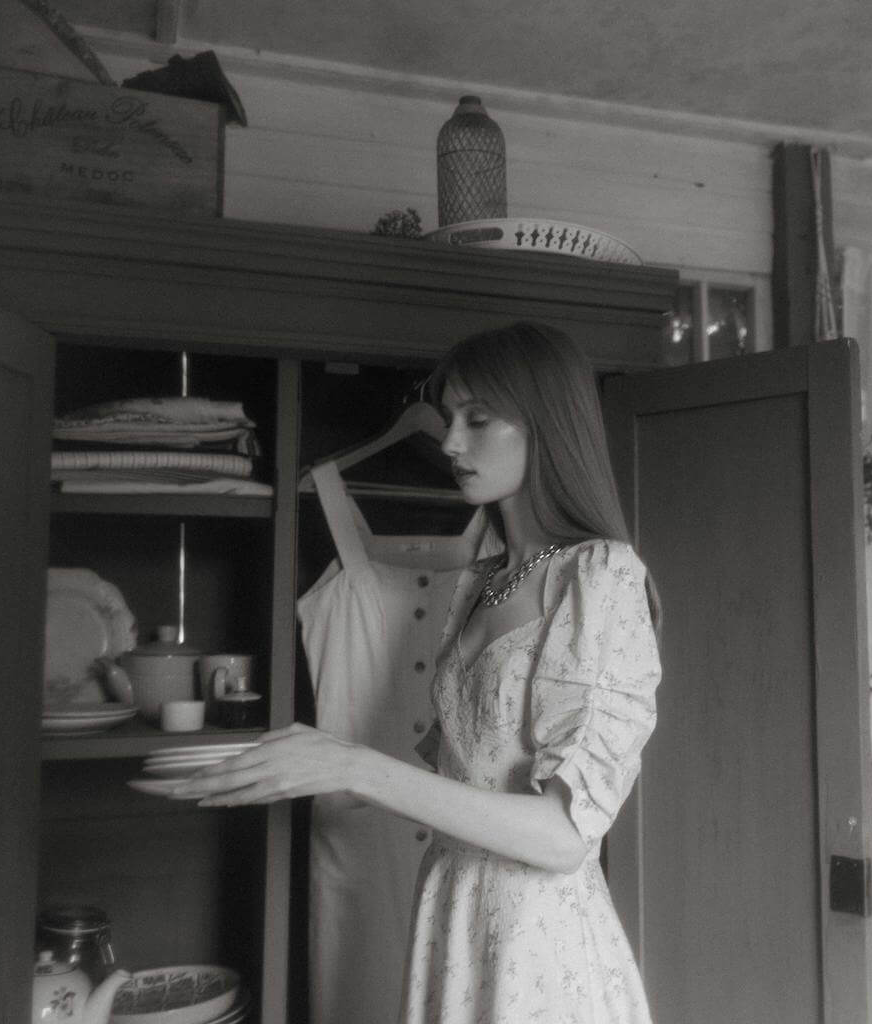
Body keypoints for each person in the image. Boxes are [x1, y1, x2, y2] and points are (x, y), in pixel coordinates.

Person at [173, 321, 662, 1023]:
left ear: (547, 426)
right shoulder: (478, 584)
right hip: (452, 918)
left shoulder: (599, 577)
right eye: (449, 418)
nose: (451, 441)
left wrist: (352, 766)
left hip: (539, 946)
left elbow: (565, 837)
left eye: (478, 419)